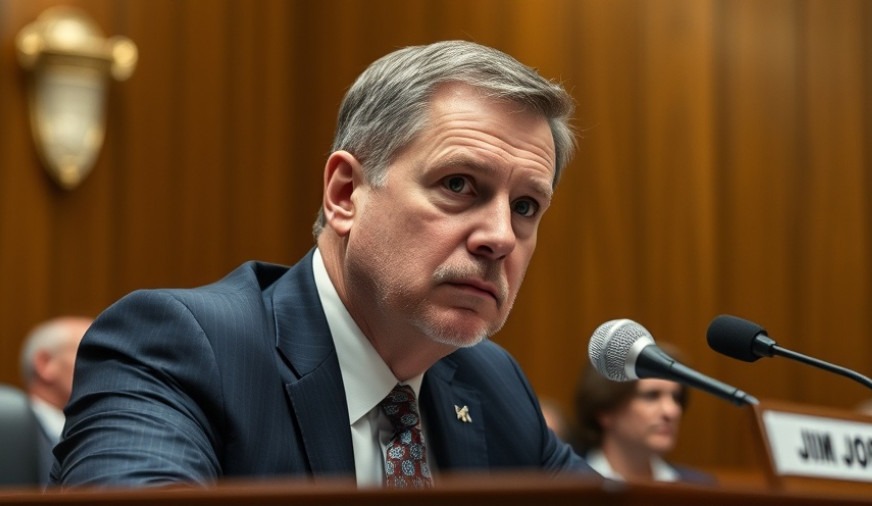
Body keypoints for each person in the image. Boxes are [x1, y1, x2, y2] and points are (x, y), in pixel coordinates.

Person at [51, 40, 596, 488]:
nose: (500, 236)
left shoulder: (493, 384)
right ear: (345, 193)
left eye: (526, 207)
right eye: (458, 184)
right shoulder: (183, 348)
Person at [573, 343, 715, 485]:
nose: (672, 411)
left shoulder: (700, 489)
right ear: (605, 410)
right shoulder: (571, 485)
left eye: (676, 397)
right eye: (651, 396)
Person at [18, 316, 92, 487]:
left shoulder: (94, 432)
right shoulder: (10, 433)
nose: (106, 368)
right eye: (91, 354)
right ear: (45, 364)